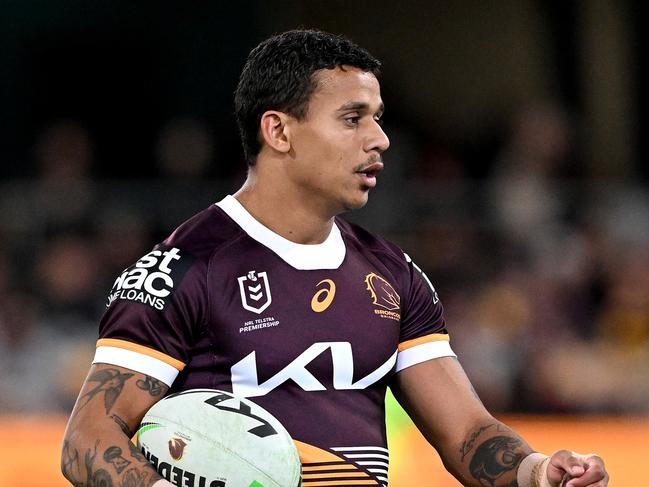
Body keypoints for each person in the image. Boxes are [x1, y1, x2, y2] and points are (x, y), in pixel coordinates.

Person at [61, 29, 608, 487]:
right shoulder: (184, 268)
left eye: (378, 117)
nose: (380, 139)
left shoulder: (393, 274)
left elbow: (467, 435)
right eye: (353, 118)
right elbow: (89, 437)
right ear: (278, 130)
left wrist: (540, 472)